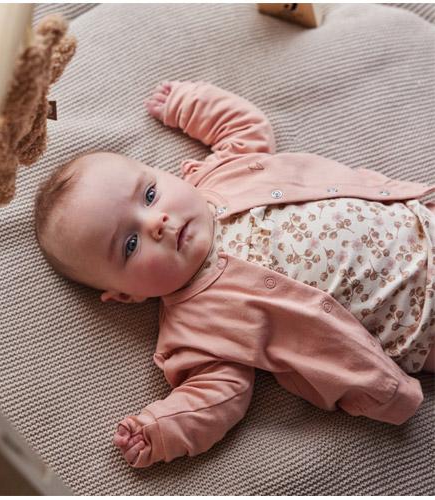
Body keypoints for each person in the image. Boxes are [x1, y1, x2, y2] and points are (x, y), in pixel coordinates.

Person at [34, 81, 435, 468]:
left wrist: (186, 104)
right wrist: (158, 430)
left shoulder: (220, 174)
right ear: (127, 295)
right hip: (417, 328)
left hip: (419, 221)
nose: (156, 222)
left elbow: (246, 127)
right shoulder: (197, 327)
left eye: (150, 195)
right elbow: (218, 396)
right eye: (130, 244)